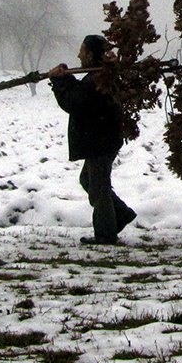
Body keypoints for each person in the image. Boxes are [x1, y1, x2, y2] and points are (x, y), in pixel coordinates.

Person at [48, 35, 136, 245]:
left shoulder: (99, 79)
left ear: (91, 54)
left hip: (100, 140)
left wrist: (59, 81)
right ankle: (121, 214)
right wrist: (66, 78)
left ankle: (105, 234)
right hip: (101, 139)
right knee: (88, 181)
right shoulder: (97, 77)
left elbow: (74, 102)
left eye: (82, 50)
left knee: (98, 187)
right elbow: (80, 93)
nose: (79, 54)